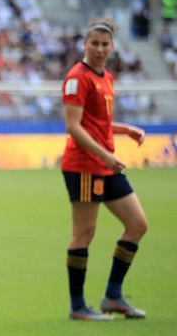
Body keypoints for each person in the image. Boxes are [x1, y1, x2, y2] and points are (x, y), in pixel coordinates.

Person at [61, 17, 149, 321]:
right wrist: (107, 156)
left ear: (112, 47)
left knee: (138, 224)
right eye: (94, 43)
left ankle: (113, 296)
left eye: (104, 44)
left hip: (105, 163)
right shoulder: (77, 77)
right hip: (85, 165)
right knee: (84, 234)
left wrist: (124, 130)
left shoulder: (106, 77)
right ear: (85, 45)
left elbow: (96, 123)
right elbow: (74, 127)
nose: (99, 49)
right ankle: (78, 306)